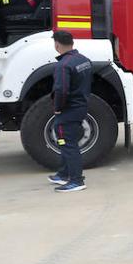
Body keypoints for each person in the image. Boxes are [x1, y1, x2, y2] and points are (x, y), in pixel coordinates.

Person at [48, 31, 93, 192]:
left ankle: (76, 180)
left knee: (67, 143)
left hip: (68, 110)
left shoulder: (63, 65)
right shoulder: (84, 60)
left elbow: (61, 90)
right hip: (81, 107)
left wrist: (58, 108)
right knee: (66, 141)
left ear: (57, 45)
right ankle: (63, 174)